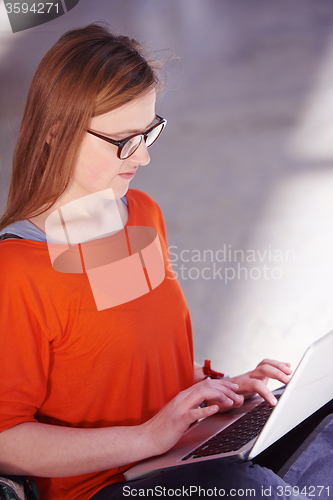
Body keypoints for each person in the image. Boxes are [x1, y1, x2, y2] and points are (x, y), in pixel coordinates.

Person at [0, 23, 309, 500]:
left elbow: (127, 356)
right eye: (124, 139)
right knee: (254, 488)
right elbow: (5, 440)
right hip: (104, 487)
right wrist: (148, 437)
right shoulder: (16, 271)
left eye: (149, 132)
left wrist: (219, 391)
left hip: (176, 456)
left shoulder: (141, 214)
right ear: (55, 132)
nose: (142, 157)